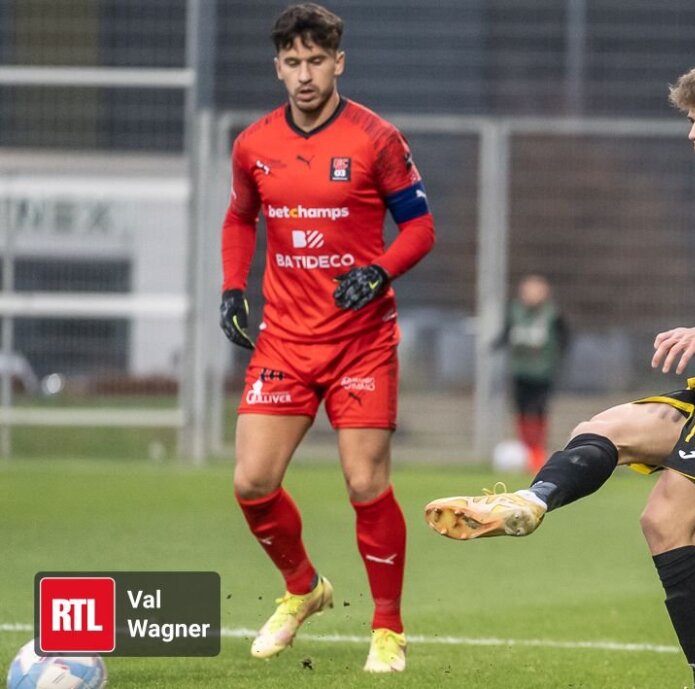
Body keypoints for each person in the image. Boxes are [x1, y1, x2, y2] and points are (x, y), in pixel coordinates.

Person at [424, 57, 695, 689]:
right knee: (604, 428)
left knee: (667, 522)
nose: (694, 133)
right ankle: (531, 501)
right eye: (691, 120)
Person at [219, 3, 435, 674]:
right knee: (252, 481)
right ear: (277, 67)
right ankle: (304, 587)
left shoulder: (376, 138)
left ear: (338, 61)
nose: (305, 75)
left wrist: (379, 272)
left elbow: (420, 228)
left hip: (360, 341)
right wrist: (232, 287)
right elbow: (239, 217)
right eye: (293, 62)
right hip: (284, 340)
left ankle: (388, 628)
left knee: (365, 482)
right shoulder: (253, 144)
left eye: (317, 61)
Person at [496, 274, 569, 471]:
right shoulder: (514, 311)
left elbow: (564, 337)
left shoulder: (553, 313)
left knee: (538, 410)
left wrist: (557, 358)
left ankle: (537, 452)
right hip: (521, 370)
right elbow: (506, 333)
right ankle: (525, 450)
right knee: (521, 410)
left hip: (543, 372)